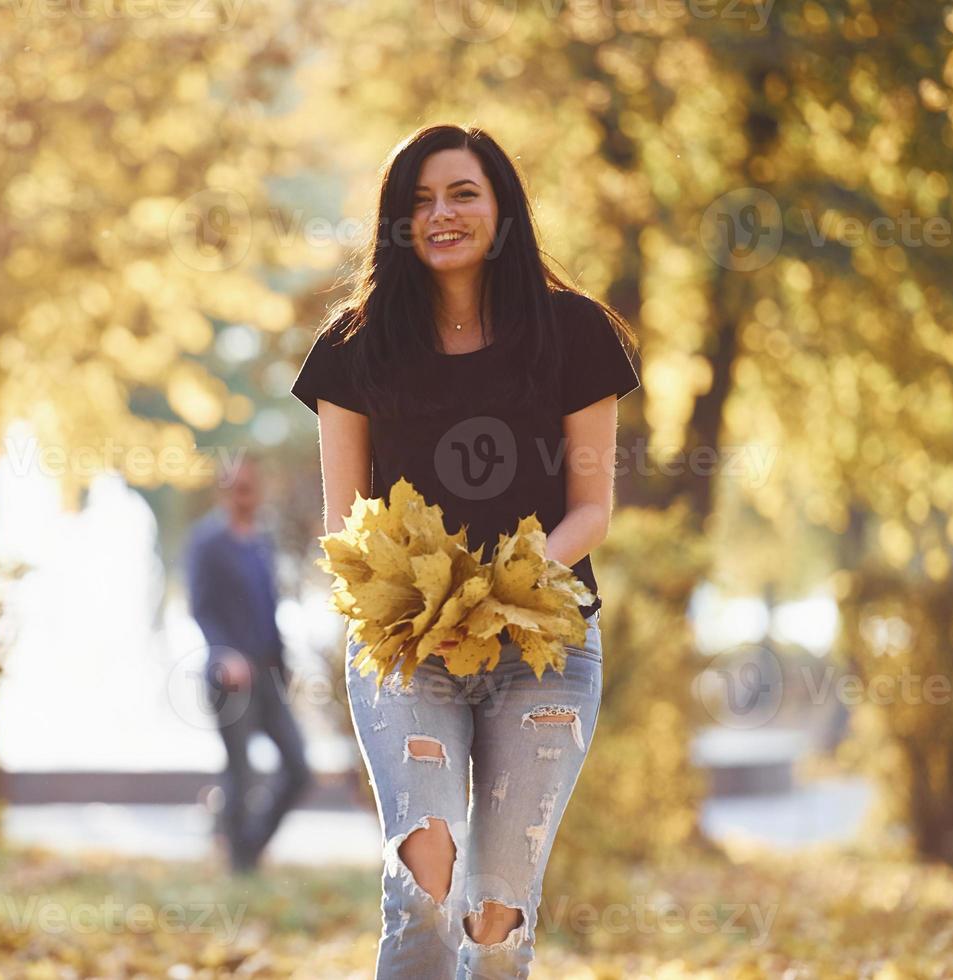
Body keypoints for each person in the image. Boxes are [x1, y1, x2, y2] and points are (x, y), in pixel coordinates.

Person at [289, 125, 641, 978]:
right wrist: (433, 617)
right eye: (418, 201)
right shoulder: (354, 346)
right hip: (409, 652)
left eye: (462, 193)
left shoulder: (575, 332)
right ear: (396, 223)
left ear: (502, 208)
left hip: (545, 650)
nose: (440, 214)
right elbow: (346, 525)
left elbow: (591, 511)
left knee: (493, 920)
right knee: (426, 884)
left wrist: (496, 600)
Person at [183, 452, 313, 873]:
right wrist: (226, 654)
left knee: (298, 768)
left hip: (268, 673)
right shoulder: (206, 542)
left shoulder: (262, 540)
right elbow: (201, 609)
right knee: (241, 772)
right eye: (238, 488)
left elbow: (270, 607)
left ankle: (249, 844)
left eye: (251, 488)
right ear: (224, 490)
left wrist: (285, 665)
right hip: (229, 677)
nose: (246, 496)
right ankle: (240, 865)